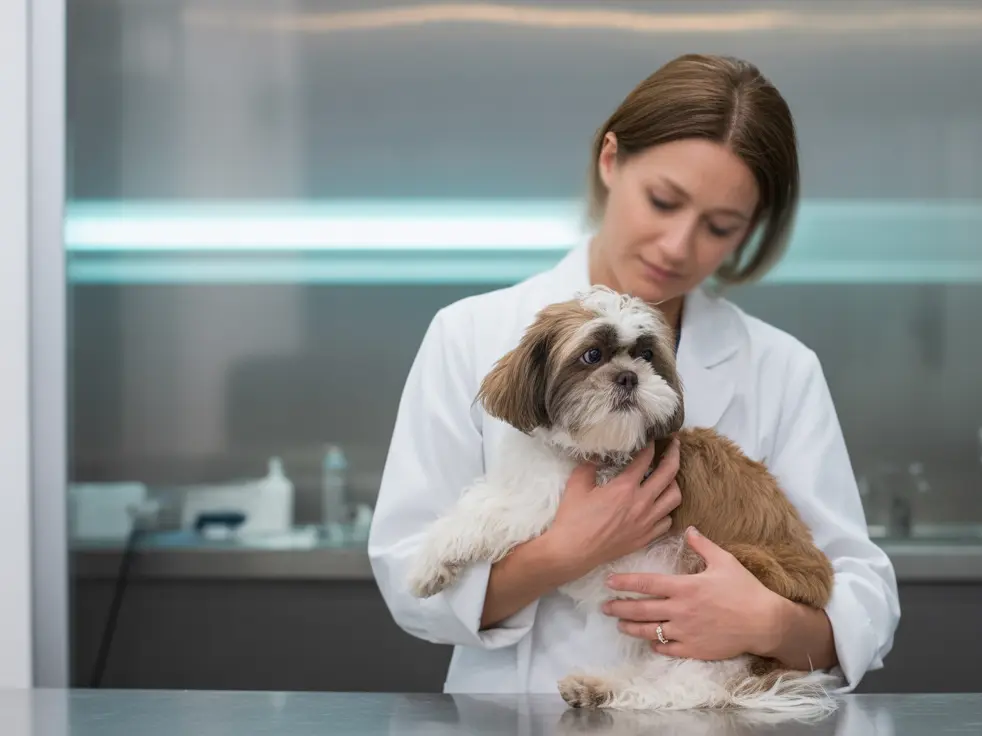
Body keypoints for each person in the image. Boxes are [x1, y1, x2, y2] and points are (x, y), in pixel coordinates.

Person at [368, 53, 900, 696]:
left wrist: (768, 624)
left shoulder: (782, 368)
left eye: (719, 226)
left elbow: (864, 601)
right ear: (611, 160)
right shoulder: (468, 334)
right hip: (510, 712)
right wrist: (562, 553)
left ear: (749, 230)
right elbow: (411, 583)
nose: (677, 246)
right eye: (662, 201)